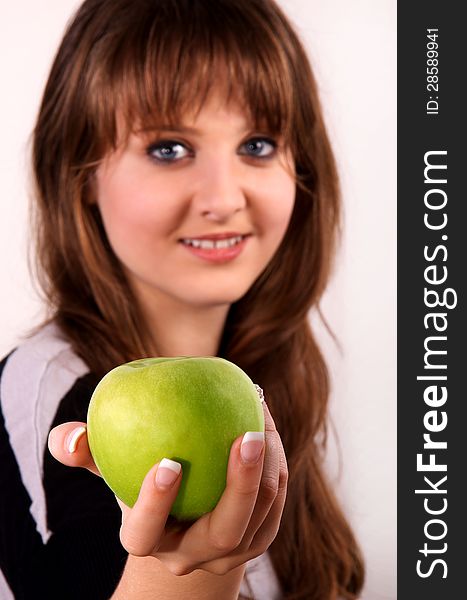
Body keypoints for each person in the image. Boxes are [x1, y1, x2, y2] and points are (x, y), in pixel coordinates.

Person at [0, 0, 365, 598]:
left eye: (258, 144)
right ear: (80, 172)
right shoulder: (64, 408)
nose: (224, 198)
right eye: (169, 148)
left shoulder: (269, 376)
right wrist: (188, 571)